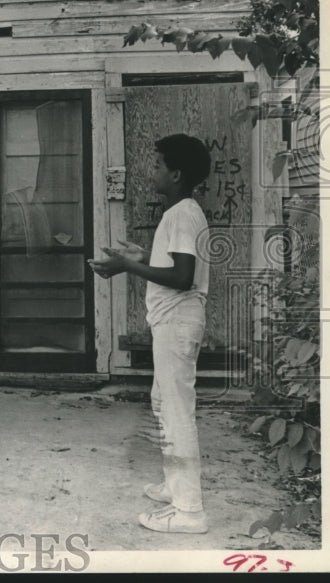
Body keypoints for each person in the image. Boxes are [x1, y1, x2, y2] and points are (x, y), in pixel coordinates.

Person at [89, 134, 212, 534]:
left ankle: (190, 512)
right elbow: (175, 264)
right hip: (171, 323)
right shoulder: (180, 212)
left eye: (158, 165)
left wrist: (127, 266)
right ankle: (174, 487)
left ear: (176, 173)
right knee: (163, 402)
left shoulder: (182, 214)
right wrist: (143, 257)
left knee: (176, 413)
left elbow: (181, 276)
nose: (152, 171)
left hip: (177, 323)